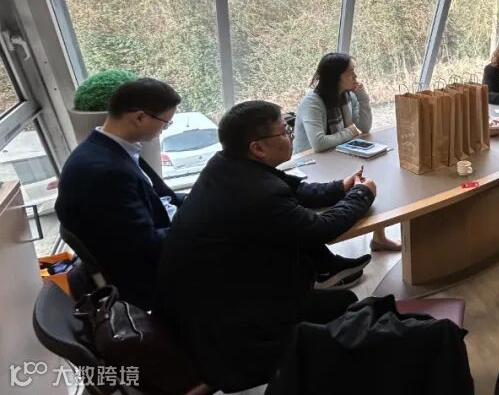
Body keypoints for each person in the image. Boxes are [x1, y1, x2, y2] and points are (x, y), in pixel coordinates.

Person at [158, 101, 378, 392]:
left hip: (218, 296)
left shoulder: (226, 165)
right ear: (258, 148)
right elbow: (321, 229)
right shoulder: (257, 193)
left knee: (340, 301)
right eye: (285, 131)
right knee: (345, 306)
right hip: (231, 321)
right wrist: (361, 195)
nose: (290, 135)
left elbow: (292, 188)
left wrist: (341, 188)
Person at [56, 78, 184, 310]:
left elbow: (162, 197)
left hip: (159, 231)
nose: (164, 129)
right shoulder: (104, 173)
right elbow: (144, 247)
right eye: (165, 123)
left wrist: (204, 201)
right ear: (140, 117)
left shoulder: (112, 147)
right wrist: (197, 226)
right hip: (147, 275)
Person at [294, 52, 399, 252]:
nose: (355, 77)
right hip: (312, 163)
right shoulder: (312, 102)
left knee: (374, 175)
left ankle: (379, 237)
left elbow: (364, 127)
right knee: (362, 181)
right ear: (336, 76)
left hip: (337, 154)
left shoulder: (348, 96)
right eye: (350, 73)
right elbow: (318, 143)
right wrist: (349, 132)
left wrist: (362, 97)